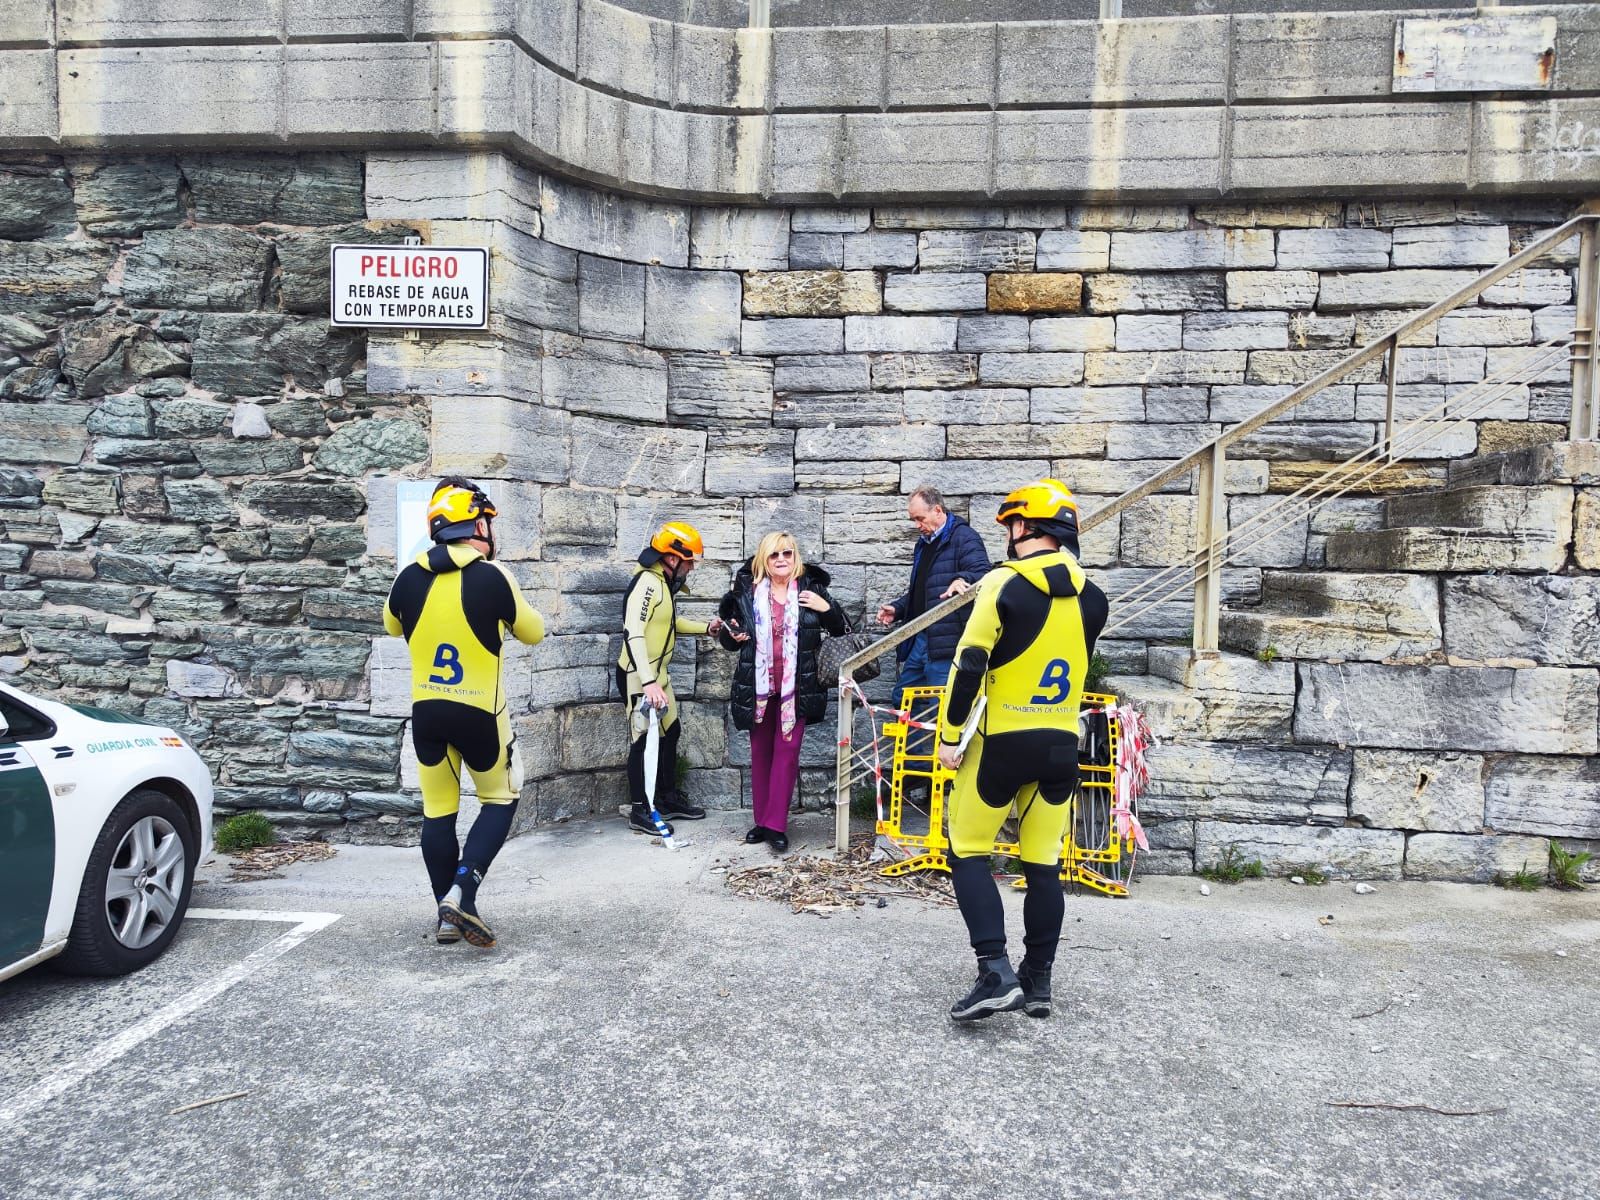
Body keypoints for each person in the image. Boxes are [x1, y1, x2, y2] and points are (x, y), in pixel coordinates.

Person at [934, 479, 1107, 1022]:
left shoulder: (1002, 583)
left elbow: (968, 665)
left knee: (967, 852)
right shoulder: (1094, 596)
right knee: (1043, 865)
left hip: (1002, 743)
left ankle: (995, 971)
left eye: (1010, 524)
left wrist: (947, 736)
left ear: (1024, 526)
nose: (1007, 534)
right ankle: (1038, 981)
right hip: (1060, 746)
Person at [383, 477, 545, 949]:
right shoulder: (493, 576)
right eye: (486, 523)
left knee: (438, 812)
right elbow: (534, 632)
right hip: (480, 713)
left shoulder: (407, 576)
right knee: (500, 798)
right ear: (474, 524)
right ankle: (463, 892)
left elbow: (391, 624)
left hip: (427, 714)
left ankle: (445, 914)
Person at [718, 532, 846, 854]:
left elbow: (843, 629)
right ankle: (761, 822)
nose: (781, 560)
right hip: (758, 686)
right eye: (774, 554)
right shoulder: (745, 592)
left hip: (797, 688)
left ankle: (776, 825)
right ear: (764, 558)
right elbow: (729, 641)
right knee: (761, 754)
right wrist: (732, 634)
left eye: (787, 553)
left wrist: (826, 608)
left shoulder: (812, 589)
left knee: (787, 755)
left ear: (795, 556)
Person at [616, 520, 731, 836]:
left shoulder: (662, 585)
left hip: (657, 674)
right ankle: (640, 810)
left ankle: (665, 799)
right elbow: (634, 632)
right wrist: (648, 681)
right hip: (639, 675)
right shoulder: (646, 584)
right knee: (642, 741)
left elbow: (669, 623)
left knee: (671, 732)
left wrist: (705, 629)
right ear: (671, 556)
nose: (692, 567)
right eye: (689, 560)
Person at [875, 486, 992, 773]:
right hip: (922, 638)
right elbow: (923, 590)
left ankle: (949, 780)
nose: (917, 526)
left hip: (948, 641)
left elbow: (984, 573)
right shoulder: (925, 543)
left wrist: (963, 579)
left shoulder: (965, 537)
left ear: (937, 510)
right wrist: (900, 608)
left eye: (919, 518)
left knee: (947, 709)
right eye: (913, 520)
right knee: (903, 698)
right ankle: (913, 770)